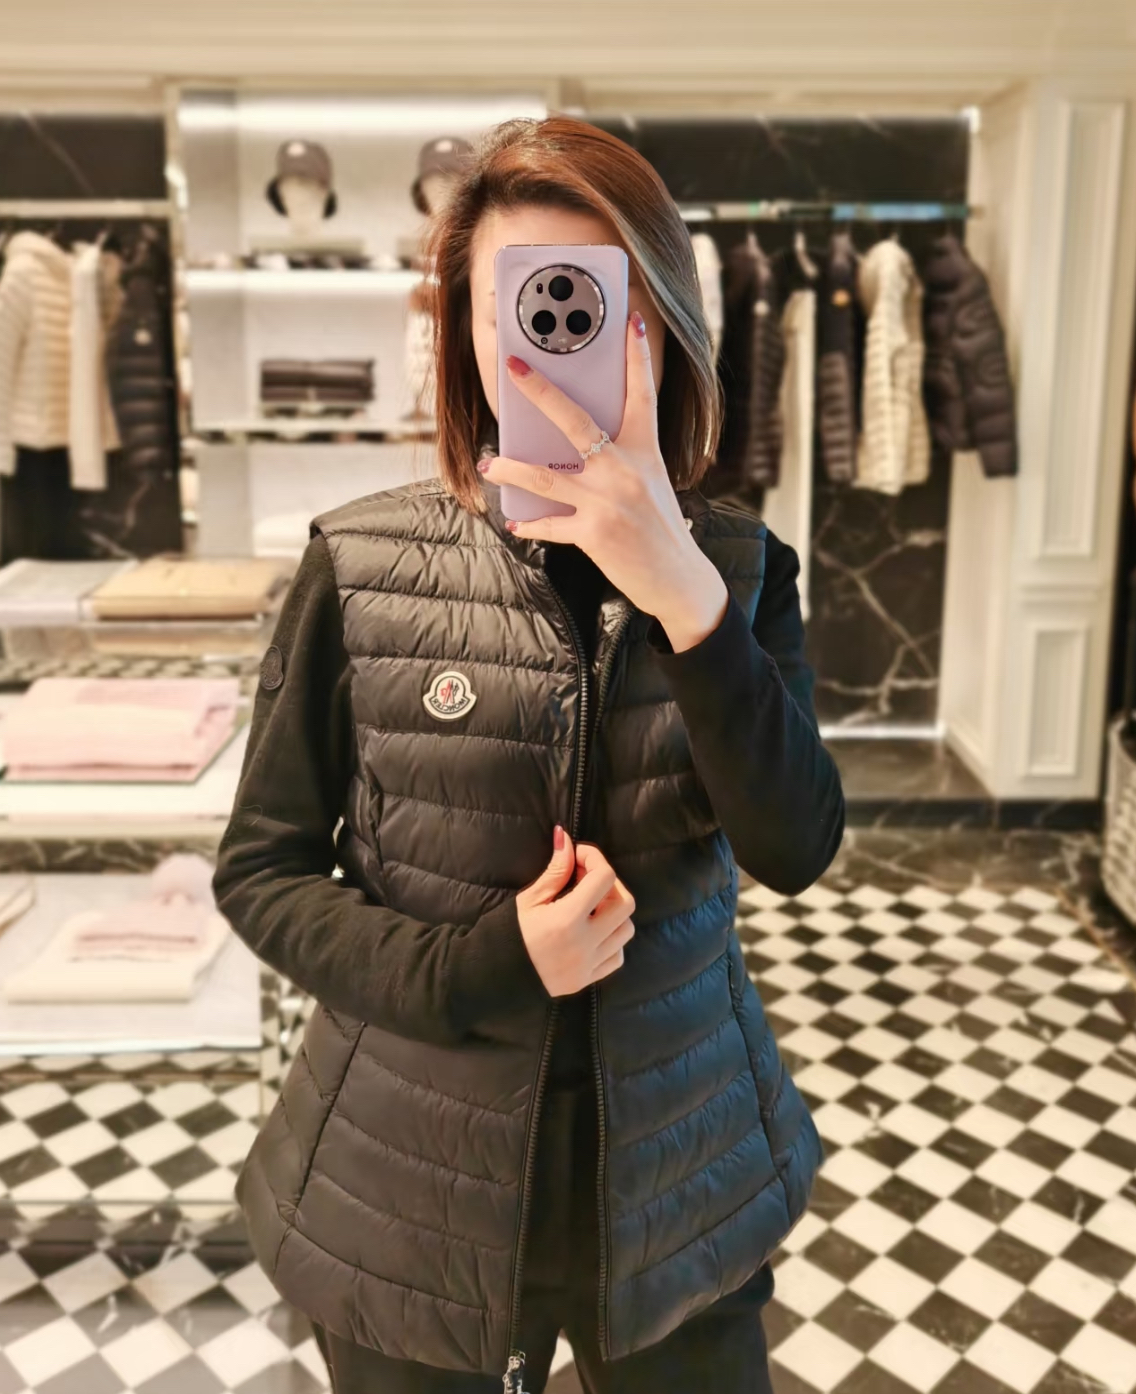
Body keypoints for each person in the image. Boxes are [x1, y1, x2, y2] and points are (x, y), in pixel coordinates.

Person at [213, 115, 844, 1394]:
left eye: (589, 300)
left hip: (678, 1179)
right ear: (465, 332)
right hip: (405, 1194)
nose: (554, 338)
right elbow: (261, 871)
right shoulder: (359, 564)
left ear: (653, 326)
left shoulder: (736, 571)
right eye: (522, 304)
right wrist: (492, 961)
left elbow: (794, 846)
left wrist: (686, 599)